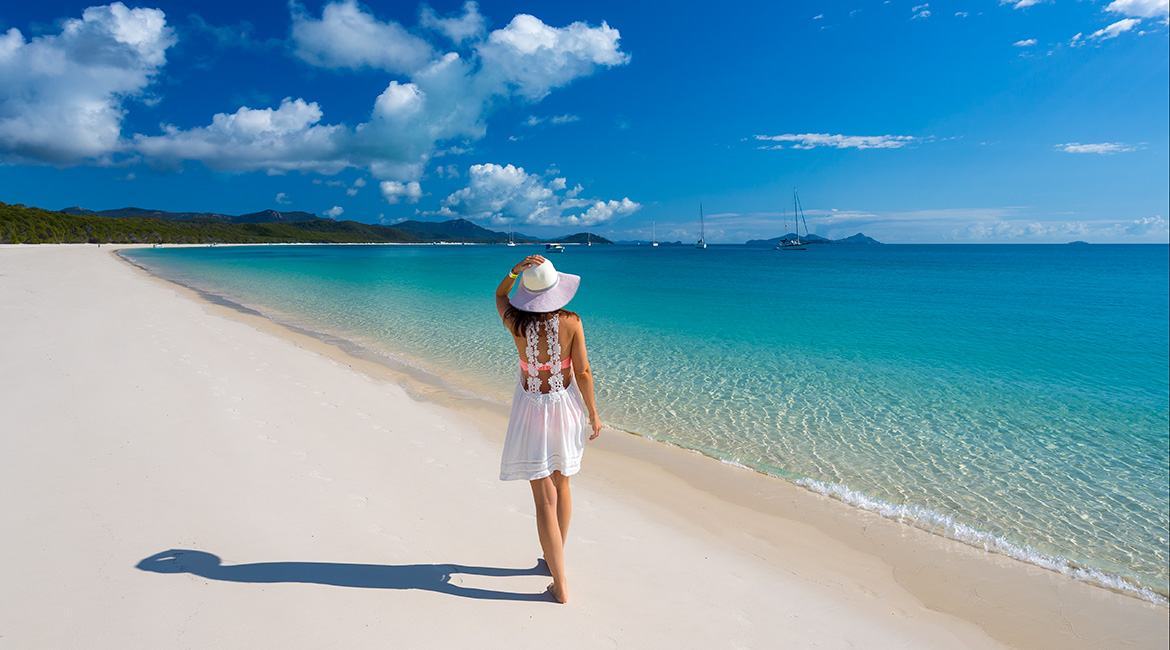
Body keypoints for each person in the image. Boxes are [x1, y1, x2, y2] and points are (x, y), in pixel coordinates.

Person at [495, 254, 602, 604]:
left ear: (528, 293)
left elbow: (499, 295)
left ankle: (560, 580)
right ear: (558, 291)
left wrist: (514, 271)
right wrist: (594, 413)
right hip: (565, 408)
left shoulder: (516, 321)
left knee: (543, 496)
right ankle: (555, 564)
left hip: (531, 409)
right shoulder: (572, 322)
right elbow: (583, 373)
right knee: (563, 482)